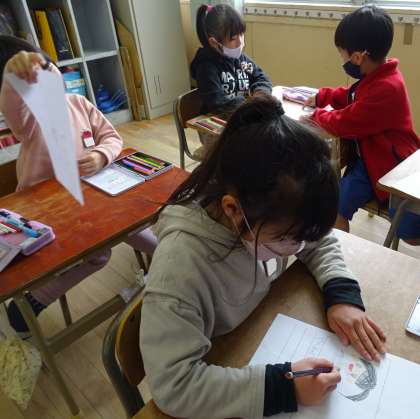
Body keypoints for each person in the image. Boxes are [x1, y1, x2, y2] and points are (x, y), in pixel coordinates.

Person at [140, 94, 386, 418]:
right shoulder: (180, 270)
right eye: (287, 238)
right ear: (232, 209)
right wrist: (283, 388)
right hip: (223, 361)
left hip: (256, 329)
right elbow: (174, 386)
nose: (300, 246)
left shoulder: (266, 209)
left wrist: (341, 295)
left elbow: (315, 237)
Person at [0, 35, 156, 336]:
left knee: (127, 219)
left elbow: (112, 137)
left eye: (45, 69)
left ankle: (165, 257)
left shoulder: (78, 103)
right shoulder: (29, 119)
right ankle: (31, 303)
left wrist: (100, 155)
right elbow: (13, 111)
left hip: (91, 195)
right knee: (100, 254)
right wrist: (11, 78)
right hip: (46, 210)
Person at [305, 6, 420, 244]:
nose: (343, 60)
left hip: (392, 165)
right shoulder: (375, 75)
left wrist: (316, 116)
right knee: (335, 208)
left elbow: (346, 122)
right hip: (367, 163)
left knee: (409, 232)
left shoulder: (387, 87)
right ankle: (342, 252)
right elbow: (351, 95)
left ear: (358, 57)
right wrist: (322, 96)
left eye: (342, 55)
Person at [190, 3, 272, 159]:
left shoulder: (240, 59)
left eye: (242, 35)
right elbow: (217, 103)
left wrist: (260, 94)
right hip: (215, 127)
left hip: (241, 117)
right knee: (255, 149)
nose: (240, 42)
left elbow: (261, 77)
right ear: (214, 42)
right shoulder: (206, 66)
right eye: (234, 38)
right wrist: (250, 105)